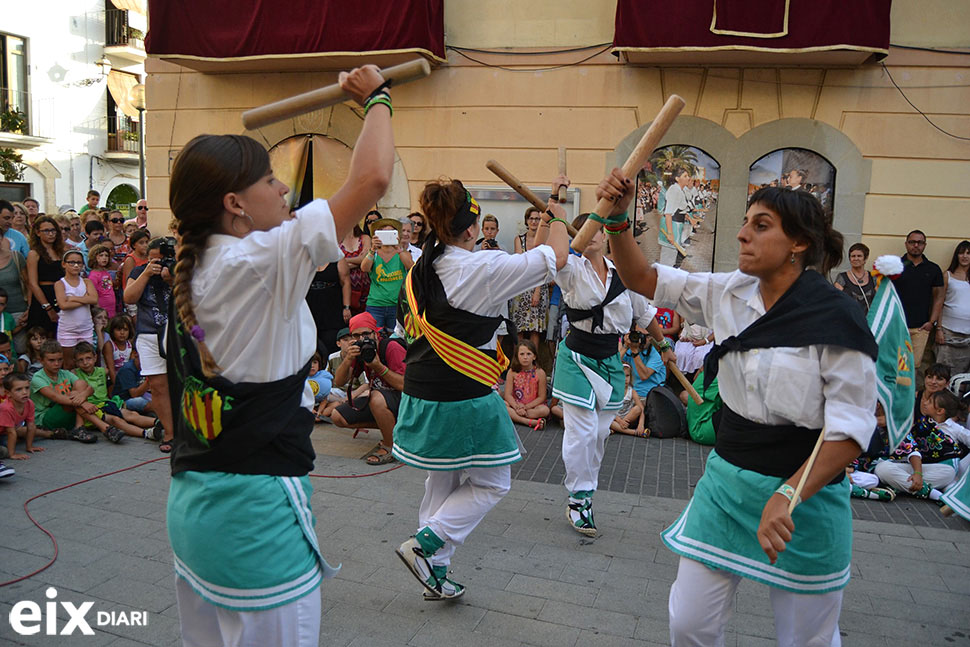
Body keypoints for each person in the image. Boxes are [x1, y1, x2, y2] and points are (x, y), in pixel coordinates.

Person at [162, 64, 393, 646]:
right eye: (271, 179)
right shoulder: (257, 262)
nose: (285, 188)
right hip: (253, 515)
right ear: (235, 203)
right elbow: (371, 179)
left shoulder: (202, 268)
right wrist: (376, 98)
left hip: (195, 506)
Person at [604, 173, 878, 646]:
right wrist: (615, 220)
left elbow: (851, 427)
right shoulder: (728, 291)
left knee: (807, 639)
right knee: (689, 623)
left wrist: (788, 495)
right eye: (745, 222)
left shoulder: (837, 316)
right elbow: (643, 279)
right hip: (727, 484)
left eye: (761, 225)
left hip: (805, 496)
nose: (742, 233)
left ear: (798, 243)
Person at [391, 176, 569, 600]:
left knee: (442, 484)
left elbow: (531, 260)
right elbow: (556, 257)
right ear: (472, 229)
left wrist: (549, 212)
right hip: (461, 396)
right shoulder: (481, 269)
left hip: (423, 393)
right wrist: (561, 216)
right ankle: (426, 545)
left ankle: (433, 568)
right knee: (493, 482)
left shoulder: (425, 266)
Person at [552, 205, 663, 536]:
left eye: (598, 229)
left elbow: (644, 315)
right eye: (585, 232)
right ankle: (578, 499)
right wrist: (555, 211)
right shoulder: (570, 269)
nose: (593, 236)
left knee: (601, 433)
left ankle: (585, 493)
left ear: (606, 235)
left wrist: (666, 347)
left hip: (611, 361)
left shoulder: (623, 274)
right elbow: (549, 253)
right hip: (576, 358)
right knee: (581, 431)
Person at [330, 311, 407, 465]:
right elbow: (339, 381)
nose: (362, 339)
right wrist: (348, 359)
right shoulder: (359, 351)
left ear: (376, 332)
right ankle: (392, 432)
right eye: (356, 335)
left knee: (376, 397)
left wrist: (379, 367)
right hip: (384, 403)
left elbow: (406, 386)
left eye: (366, 333)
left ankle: (390, 446)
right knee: (337, 416)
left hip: (406, 403)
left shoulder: (391, 347)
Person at [124, 237, 175, 452]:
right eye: (153, 260)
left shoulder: (181, 270)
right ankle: (170, 434)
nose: (157, 264)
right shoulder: (139, 272)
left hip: (177, 333)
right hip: (149, 334)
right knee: (158, 386)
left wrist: (173, 276)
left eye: (161, 260)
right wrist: (146, 273)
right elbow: (129, 297)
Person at [875, 389, 962, 500]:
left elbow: (912, 449)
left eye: (929, 402)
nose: (924, 403)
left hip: (944, 469)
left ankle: (899, 486)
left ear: (940, 411)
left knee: (947, 475)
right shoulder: (922, 422)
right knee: (881, 469)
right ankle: (930, 493)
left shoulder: (953, 427)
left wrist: (918, 474)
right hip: (923, 466)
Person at [31, 340, 119, 442]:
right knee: (70, 396)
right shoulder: (37, 378)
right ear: (41, 360)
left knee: (79, 385)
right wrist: (83, 403)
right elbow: (56, 398)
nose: (56, 364)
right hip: (46, 419)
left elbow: (89, 388)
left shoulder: (64, 373)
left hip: (70, 413)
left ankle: (79, 427)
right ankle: (104, 427)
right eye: (51, 360)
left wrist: (83, 398)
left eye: (60, 360)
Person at [73, 341, 159, 440]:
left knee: (131, 414)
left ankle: (159, 422)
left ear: (95, 358)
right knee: (116, 420)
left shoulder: (103, 371)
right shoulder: (74, 374)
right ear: (75, 362)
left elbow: (111, 385)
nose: (85, 363)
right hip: (92, 409)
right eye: (80, 360)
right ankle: (146, 433)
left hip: (107, 404)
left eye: (88, 358)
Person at [893, 230, 944, 379]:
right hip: (897, 326)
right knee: (895, 365)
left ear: (924, 245)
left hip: (920, 328)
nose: (916, 245)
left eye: (920, 242)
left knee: (913, 369)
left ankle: (909, 400)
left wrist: (931, 322)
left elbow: (939, 296)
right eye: (912, 242)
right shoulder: (895, 266)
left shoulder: (933, 269)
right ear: (906, 244)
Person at [509, 206, 550, 350]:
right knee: (519, 329)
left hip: (539, 287)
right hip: (521, 287)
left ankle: (534, 364)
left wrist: (537, 291)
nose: (534, 222)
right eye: (531, 218)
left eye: (537, 219)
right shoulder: (519, 239)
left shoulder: (546, 241)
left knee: (535, 330)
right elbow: (521, 264)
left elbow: (545, 267)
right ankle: (517, 364)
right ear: (527, 221)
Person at [360, 217, 413, 330]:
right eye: (383, 233)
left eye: (391, 233)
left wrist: (399, 249)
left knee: (398, 339)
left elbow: (410, 266)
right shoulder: (374, 253)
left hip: (397, 305)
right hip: (376, 304)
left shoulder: (402, 253)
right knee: (374, 337)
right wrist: (373, 249)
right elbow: (364, 268)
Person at [53, 249, 96, 370]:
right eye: (71, 262)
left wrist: (72, 298)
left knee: (87, 362)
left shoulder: (86, 281)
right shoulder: (60, 284)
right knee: (69, 364)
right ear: (64, 264)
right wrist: (84, 299)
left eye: (79, 262)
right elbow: (63, 305)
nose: (76, 265)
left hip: (86, 328)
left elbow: (94, 299)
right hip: (67, 329)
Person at [25, 216, 66, 335]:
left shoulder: (60, 252)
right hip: (43, 295)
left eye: (53, 230)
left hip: (60, 294)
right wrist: (47, 307)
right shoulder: (34, 254)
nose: (51, 234)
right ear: (38, 233)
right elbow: (33, 283)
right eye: (46, 231)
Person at [935, 240, 970, 375]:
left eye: (968, 253)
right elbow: (939, 301)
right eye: (961, 253)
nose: (965, 256)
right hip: (948, 332)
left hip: (968, 335)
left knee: (964, 375)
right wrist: (938, 329)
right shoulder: (947, 275)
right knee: (943, 370)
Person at [306, 256, 351, 357]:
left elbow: (346, 282)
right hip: (311, 303)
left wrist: (346, 307)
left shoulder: (337, 258)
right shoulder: (306, 258)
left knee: (331, 339)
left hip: (332, 305)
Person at [503, 340, 549, 428]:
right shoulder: (512, 372)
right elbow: (508, 395)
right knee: (503, 405)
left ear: (534, 356)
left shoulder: (540, 373)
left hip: (533, 406)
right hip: (515, 404)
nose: (525, 357)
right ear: (517, 356)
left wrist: (525, 407)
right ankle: (528, 421)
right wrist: (516, 407)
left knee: (545, 410)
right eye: (522, 354)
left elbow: (542, 397)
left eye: (528, 354)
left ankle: (517, 417)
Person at [0, 226, 29, 354]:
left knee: (19, 350)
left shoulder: (16, 257)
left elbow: (29, 284)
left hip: (18, 312)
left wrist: (29, 309)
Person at [659, 168, 690, 268]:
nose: (688, 178)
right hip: (672, 226)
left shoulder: (679, 190)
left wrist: (689, 218)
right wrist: (670, 233)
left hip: (676, 227)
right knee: (667, 261)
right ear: (677, 178)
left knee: (672, 259)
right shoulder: (674, 190)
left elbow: (680, 209)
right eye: (685, 176)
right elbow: (668, 213)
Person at [833, 243, 876, 314]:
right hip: (849, 320)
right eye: (853, 256)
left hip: (869, 320)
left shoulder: (873, 278)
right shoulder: (842, 278)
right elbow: (836, 300)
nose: (856, 259)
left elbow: (880, 300)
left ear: (865, 258)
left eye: (859, 256)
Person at [340, 219, 371, 315]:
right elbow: (335, 264)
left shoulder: (365, 238)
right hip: (345, 286)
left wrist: (344, 261)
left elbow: (366, 258)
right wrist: (359, 261)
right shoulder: (337, 240)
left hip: (365, 286)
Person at [610, 364, 646, 437]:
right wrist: (619, 421)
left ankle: (618, 428)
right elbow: (610, 410)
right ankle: (633, 432)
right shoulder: (613, 391)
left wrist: (641, 424)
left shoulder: (632, 391)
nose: (625, 379)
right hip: (616, 418)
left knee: (638, 408)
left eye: (627, 376)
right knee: (609, 421)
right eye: (622, 376)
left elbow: (642, 409)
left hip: (628, 419)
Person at [86, 243, 117, 316]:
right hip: (102, 310)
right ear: (94, 257)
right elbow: (93, 294)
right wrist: (98, 310)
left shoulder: (106, 273)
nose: (104, 258)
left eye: (106, 255)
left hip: (111, 308)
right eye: (101, 255)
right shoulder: (93, 275)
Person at [102, 314, 134, 384]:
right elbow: (111, 369)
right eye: (118, 329)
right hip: (112, 379)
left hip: (127, 378)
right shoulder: (109, 345)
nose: (122, 333)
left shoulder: (130, 344)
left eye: (125, 330)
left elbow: (132, 366)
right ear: (113, 331)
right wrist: (118, 386)